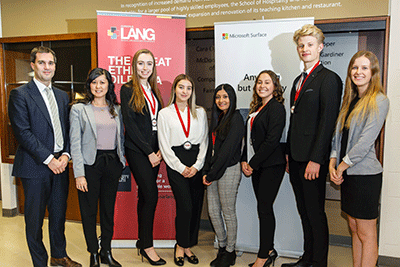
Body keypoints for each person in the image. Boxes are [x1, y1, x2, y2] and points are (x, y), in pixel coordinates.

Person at [8, 46, 81, 267]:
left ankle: (59, 256)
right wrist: (49, 159)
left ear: (55, 66)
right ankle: (39, 263)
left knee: (58, 216)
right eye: (42, 63)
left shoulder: (61, 95)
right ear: (33, 66)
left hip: (60, 164)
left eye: (50, 63)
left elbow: (68, 129)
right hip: (35, 167)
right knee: (34, 221)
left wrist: (66, 155)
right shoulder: (20, 94)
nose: (46, 67)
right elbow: (23, 132)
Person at [282, 24, 343, 267]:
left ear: (320, 47)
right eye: (301, 45)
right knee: (304, 211)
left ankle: (319, 262)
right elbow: (295, 122)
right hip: (296, 158)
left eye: (310, 45)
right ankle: (307, 258)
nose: (305, 49)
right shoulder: (298, 80)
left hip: (312, 160)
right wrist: (288, 154)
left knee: (316, 213)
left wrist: (317, 159)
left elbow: (327, 123)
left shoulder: (329, 79)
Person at [329, 51, 389, 267]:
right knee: (354, 227)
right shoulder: (350, 100)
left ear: (373, 72)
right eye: (355, 67)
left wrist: (342, 166)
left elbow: (364, 142)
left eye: (364, 68)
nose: (358, 72)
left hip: (365, 176)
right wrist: (332, 163)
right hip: (348, 174)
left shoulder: (379, 100)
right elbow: (338, 136)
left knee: (366, 231)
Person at [70, 68, 125, 267]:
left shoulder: (116, 109)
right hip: (89, 166)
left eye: (102, 82)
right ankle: (93, 252)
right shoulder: (79, 109)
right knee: (89, 211)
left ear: (109, 85)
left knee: (108, 211)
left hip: (112, 164)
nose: (98, 86)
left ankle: (106, 251)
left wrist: (121, 163)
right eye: (94, 82)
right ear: (89, 85)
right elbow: (75, 143)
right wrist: (79, 174)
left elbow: (121, 138)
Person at [120, 49, 166, 265]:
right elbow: (130, 125)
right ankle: (148, 246)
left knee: (145, 197)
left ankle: (141, 241)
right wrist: (149, 152)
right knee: (151, 194)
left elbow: (158, 124)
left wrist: (160, 151)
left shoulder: (154, 91)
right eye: (141, 63)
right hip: (138, 151)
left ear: (153, 66)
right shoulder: (128, 89)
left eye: (149, 63)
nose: (145, 68)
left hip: (155, 151)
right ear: (134, 66)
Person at [157, 74, 208, 266]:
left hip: (196, 162)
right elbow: (164, 144)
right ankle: (180, 245)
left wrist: (196, 166)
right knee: (185, 206)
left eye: (188, 88)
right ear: (174, 90)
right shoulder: (165, 114)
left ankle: (188, 246)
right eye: (181, 87)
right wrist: (180, 167)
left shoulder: (200, 112)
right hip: (175, 163)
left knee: (195, 207)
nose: (184, 91)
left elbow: (204, 141)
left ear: (192, 91)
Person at [241, 70, 286, 267]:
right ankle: (269, 250)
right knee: (263, 209)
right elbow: (249, 138)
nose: (262, 86)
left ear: (275, 86)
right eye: (259, 82)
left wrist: (252, 163)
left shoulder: (276, 108)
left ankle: (263, 257)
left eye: (267, 82)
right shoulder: (257, 107)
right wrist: (245, 159)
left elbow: (271, 141)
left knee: (265, 209)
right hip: (258, 165)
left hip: (271, 166)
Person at [202, 84, 245, 267]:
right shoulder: (218, 118)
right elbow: (211, 149)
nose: (221, 100)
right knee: (213, 211)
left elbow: (227, 152)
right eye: (218, 97)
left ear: (232, 98)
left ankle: (230, 251)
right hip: (214, 171)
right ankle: (222, 246)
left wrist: (211, 174)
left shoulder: (235, 118)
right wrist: (206, 171)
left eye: (225, 97)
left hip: (228, 169)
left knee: (228, 212)